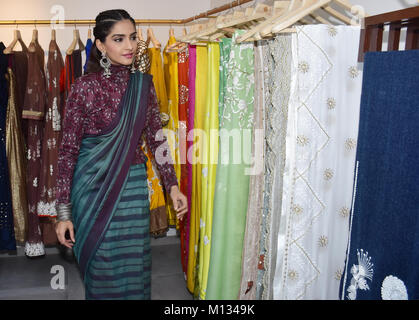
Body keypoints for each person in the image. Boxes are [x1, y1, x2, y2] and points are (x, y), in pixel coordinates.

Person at [55, 9, 187, 300]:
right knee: (102, 268)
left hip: (132, 191)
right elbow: (67, 152)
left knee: (134, 266)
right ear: (101, 45)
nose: (130, 46)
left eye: (133, 38)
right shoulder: (84, 88)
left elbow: (156, 137)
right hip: (91, 192)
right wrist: (63, 213)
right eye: (119, 39)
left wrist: (172, 185)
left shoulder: (143, 85)